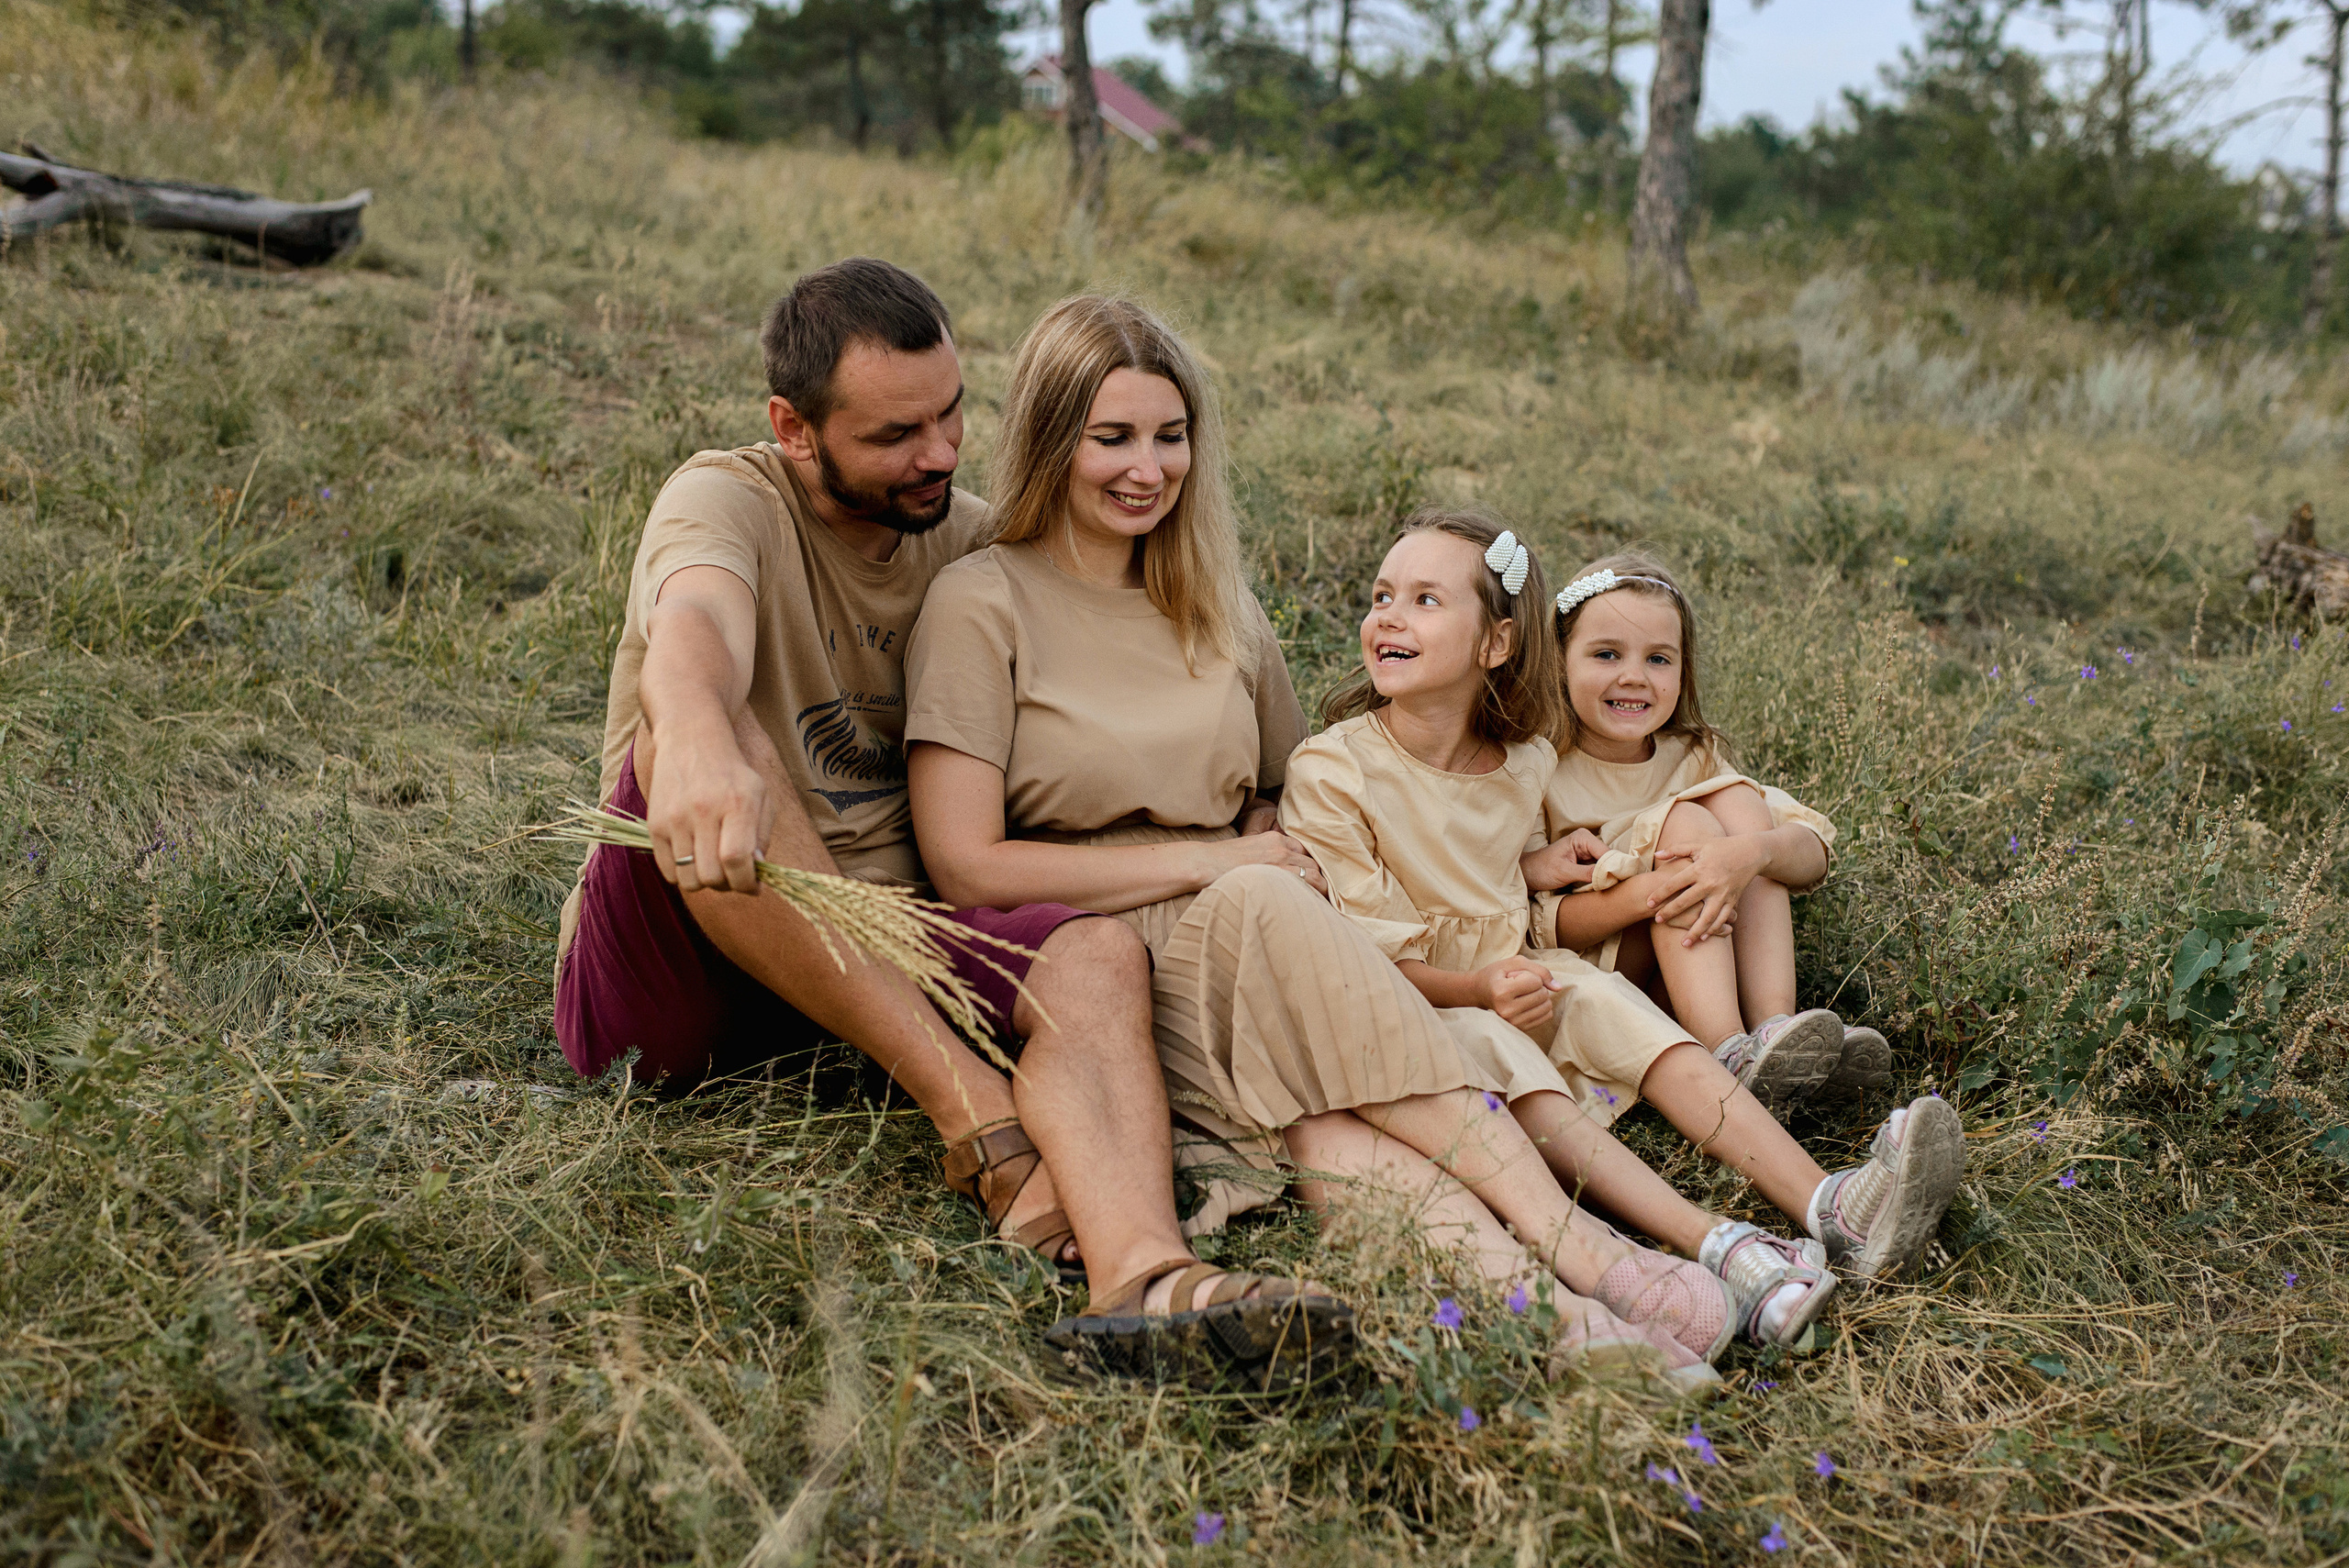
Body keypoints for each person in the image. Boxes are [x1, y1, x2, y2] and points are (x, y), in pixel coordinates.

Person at [905, 294, 1725, 1393]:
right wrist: (1215, 864)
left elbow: (1288, 785)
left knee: (1323, 1110)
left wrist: (1262, 853)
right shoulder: (980, 601)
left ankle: (1563, 1322)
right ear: (1053, 436)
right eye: (1112, 437)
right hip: (1080, 936)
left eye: (1170, 435)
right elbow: (965, 864)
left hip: (1247, 922)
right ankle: (1601, 1263)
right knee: (1274, 928)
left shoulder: (1215, 604)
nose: (1147, 468)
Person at [551, 257, 1341, 1386]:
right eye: (892, 434)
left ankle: (1145, 1283)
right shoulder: (727, 498)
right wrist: (694, 732)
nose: (938, 453)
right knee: (717, 742)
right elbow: (695, 627)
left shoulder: (971, 544)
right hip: (695, 938)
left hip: (889, 960)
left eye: (951, 414)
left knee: (1092, 951)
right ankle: (984, 1128)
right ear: (794, 426)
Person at [1279, 506, 1835, 1348]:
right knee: (1511, 1052)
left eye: (1426, 599)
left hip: (1525, 970)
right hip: (1424, 1000)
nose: (1387, 615)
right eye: (1382, 595)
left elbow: (1511, 865)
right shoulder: (1334, 768)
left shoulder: (1526, 760)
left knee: (1626, 1015)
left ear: (1495, 645)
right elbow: (1364, 953)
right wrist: (1479, 985)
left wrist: (1538, 869)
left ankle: (1825, 1201)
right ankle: (1717, 1244)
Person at [1526, 550, 1965, 1282]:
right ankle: (1729, 1046)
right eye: (1606, 653)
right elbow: (1546, 925)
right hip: (1614, 958)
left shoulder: (1694, 753)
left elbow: (1812, 854)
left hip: (1700, 947)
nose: (1634, 675)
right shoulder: (1541, 766)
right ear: (1557, 660)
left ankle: (1776, 1031)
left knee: (1740, 816)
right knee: (1699, 832)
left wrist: (1748, 854)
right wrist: (1671, 876)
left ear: (1683, 670)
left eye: (1658, 658)